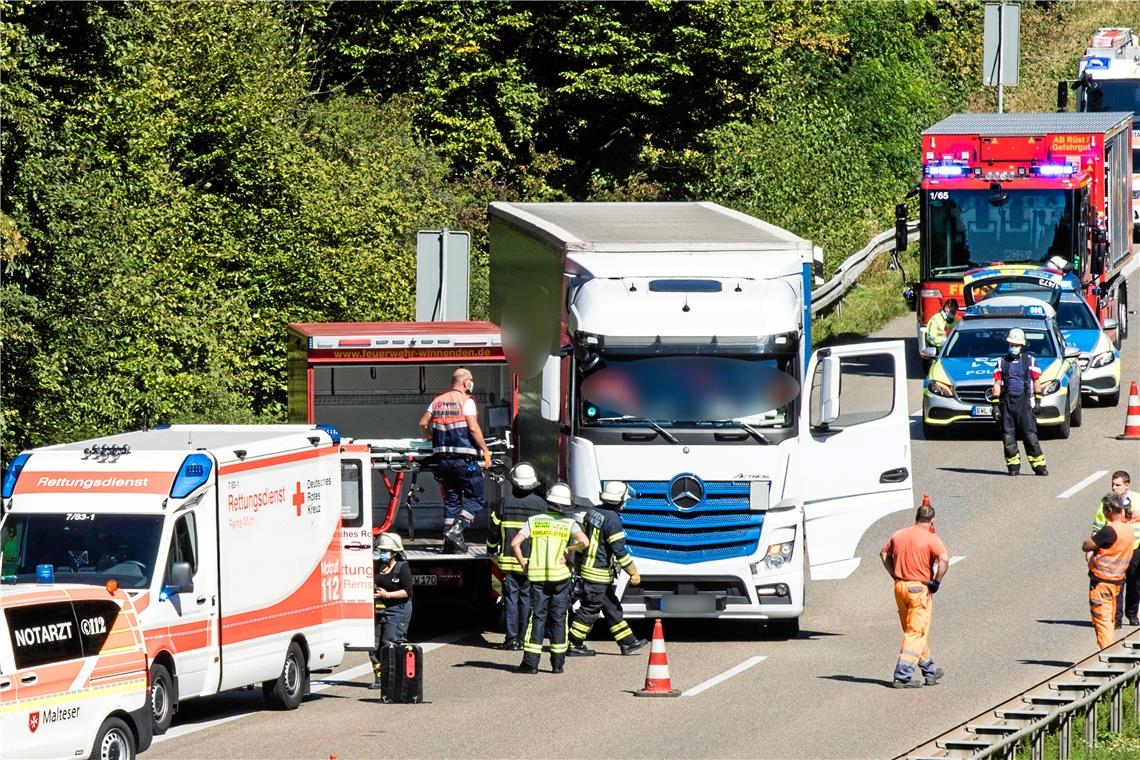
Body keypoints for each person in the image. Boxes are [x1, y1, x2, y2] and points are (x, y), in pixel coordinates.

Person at [510, 482, 589, 675]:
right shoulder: (569, 523)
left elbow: (514, 544)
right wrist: (569, 550)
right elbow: (585, 542)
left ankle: (530, 664)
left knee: (537, 618)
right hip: (560, 578)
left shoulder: (534, 521)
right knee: (559, 618)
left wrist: (523, 564)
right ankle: (557, 664)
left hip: (537, 577)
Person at [566, 481, 649, 657]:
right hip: (599, 572)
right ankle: (573, 643)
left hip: (589, 567)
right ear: (620, 500)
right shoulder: (613, 520)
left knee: (612, 608)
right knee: (590, 609)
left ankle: (628, 643)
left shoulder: (593, 511)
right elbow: (619, 550)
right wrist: (633, 572)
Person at [419, 367, 492, 553]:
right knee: (476, 498)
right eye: (471, 380)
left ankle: (449, 545)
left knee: (452, 501)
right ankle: (457, 529)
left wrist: (430, 437)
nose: (472, 384)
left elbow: (422, 423)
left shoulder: (437, 401)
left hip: (442, 461)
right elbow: (473, 428)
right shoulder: (466, 401)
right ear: (465, 382)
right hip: (463, 460)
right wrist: (485, 450)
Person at [879, 500, 950, 689]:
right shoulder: (930, 538)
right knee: (915, 631)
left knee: (913, 630)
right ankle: (902, 675)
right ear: (932, 521)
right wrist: (936, 581)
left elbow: (884, 553)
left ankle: (930, 670)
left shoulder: (899, 534)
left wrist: (894, 573)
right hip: (918, 590)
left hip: (900, 587)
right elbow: (943, 559)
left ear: (917, 518)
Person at [486, 462, 547, 650]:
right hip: (530, 563)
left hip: (508, 562)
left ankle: (511, 640)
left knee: (511, 600)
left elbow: (493, 529)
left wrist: (490, 548)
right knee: (527, 599)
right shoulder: (541, 505)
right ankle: (524, 639)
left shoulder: (505, 502)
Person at [990, 327, 1047, 476]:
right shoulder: (1001, 362)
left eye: (1016, 345)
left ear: (1022, 346)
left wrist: (1038, 400)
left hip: (1024, 403)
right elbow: (997, 384)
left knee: (1030, 435)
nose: (1013, 348)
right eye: (1011, 345)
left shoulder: (1030, 361)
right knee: (1008, 436)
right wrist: (995, 405)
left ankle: (1039, 466)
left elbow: (1036, 381)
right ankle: (1013, 466)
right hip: (1007, 404)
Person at [1083, 493, 1135, 649]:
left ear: (1110, 509)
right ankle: (1109, 652)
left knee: (1102, 619)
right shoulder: (1128, 528)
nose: (1104, 513)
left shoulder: (1110, 531)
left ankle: (1107, 656)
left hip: (1102, 582)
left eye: (1105, 510)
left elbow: (1086, 545)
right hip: (1117, 581)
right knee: (1110, 619)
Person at [368, 532, 414, 689]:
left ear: (394, 552)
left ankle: (394, 679)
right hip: (380, 611)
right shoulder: (378, 567)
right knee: (373, 647)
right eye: (381, 551)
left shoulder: (402, 568)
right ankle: (380, 679)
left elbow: (408, 592)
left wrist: (386, 594)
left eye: (385, 551)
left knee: (390, 644)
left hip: (398, 611)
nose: (382, 554)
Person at [1091, 471, 1136, 628]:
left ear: (1126, 485)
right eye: (1113, 484)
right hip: (1116, 550)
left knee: (1135, 583)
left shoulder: (1137, 500)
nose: (1114, 487)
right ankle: (1116, 619)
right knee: (1117, 584)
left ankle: (1132, 614)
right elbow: (1098, 525)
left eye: (1117, 485)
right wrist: (1091, 548)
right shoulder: (1107, 503)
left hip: (1136, 547)